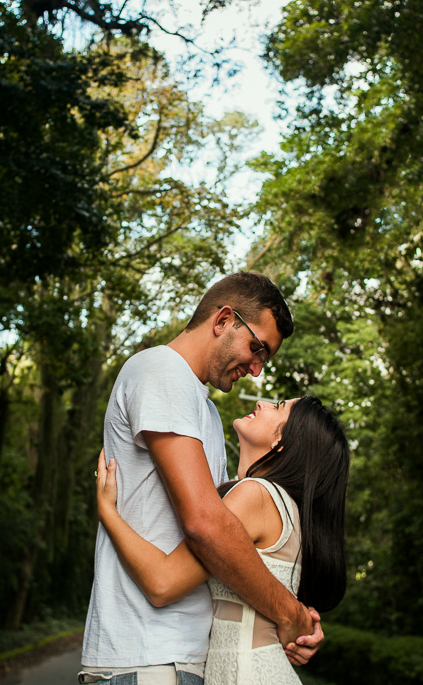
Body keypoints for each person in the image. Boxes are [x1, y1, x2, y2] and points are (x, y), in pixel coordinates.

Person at [78, 273, 325, 685]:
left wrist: (292, 619)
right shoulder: (162, 371)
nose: (258, 369)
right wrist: (288, 613)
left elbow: (227, 539)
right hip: (149, 658)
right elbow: (206, 524)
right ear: (224, 320)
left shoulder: (205, 410)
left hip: (182, 661)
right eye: (257, 348)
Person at [96, 396, 350, 685]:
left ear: (282, 442)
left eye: (277, 407)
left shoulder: (256, 495)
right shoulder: (284, 506)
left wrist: (108, 512)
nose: (261, 403)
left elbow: (161, 583)